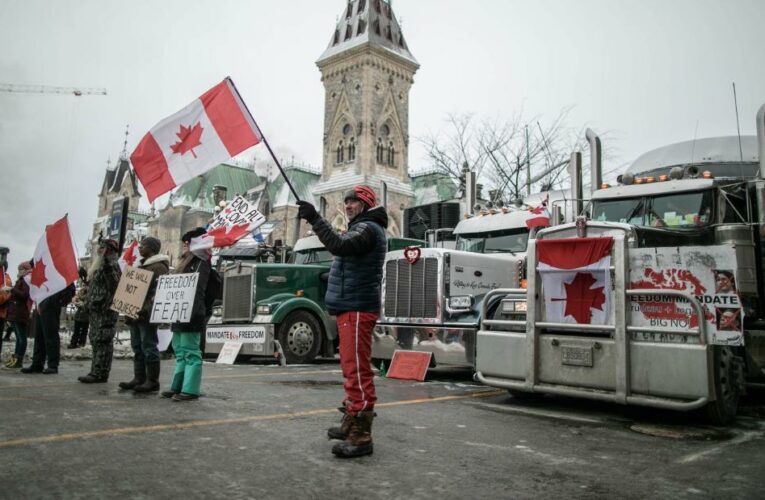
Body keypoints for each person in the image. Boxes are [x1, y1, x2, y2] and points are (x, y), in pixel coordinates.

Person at [297, 184, 387, 459]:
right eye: (346, 202)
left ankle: (361, 435)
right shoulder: (362, 227)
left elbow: (338, 245)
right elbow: (347, 258)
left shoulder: (368, 228)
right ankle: (351, 421)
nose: (348, 206)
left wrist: (314, 217)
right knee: (351, 368)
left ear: (366, 204)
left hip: (358, 308)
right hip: (350, 307)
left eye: (354, 202)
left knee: (357, 370)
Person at [161, 228, 210, 402]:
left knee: (191, 351)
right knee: (180, 351)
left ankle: (190, 389)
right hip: (179, 312)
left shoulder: (201, 262)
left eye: (187, 243)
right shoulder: (186, 262)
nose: (184, 246)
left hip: (192, 312)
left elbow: (198, 289)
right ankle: (177, 386)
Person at [118, 237, 169, 393]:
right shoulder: (143, 265)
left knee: (149, 346)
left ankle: (152, 381)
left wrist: (144, 310)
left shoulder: (158, 267)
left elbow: (157, 293)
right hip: (135, 313)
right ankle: (139, 378)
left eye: (143, 245)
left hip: (145, 315)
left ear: (152, 248)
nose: (140, 248)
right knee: (137, 347)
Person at [78, 239, 121, 383]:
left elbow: (115, 285)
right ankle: (95, 370)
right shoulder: (100, 266)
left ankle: (100, 372)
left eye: (103, 248)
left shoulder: (112, 265)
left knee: (103, 340)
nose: (99, 250)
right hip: (96, 308)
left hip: (105, 310)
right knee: (96, 340)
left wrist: (108, 266)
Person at [20, 281, 75, 375]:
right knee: (39, 336)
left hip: (51, 305)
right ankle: (37, 364)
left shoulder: (58, 270)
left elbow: (70, 287)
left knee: (51, 335)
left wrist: (57, 301)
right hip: (41, 303)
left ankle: (53, 365)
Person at [5, 262, 32, 368]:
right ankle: (16, 357)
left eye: (21, 269)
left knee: (21, 338)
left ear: (25, 270)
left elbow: (25, 295)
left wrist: (12, 289)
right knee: (19, 337)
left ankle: (18, 359)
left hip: (20, 312)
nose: (19, 271)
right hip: (17, 312)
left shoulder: (26, 280)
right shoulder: (22, 280)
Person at [67, 266, 90, 349]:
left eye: (86, 284)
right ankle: (73, 343)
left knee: (84, 330)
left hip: (86, 315)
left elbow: (89, 302)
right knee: (76, 330)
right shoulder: (82, 291)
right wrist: (76, 301)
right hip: (79, 314)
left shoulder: (90, 291)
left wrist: (82, 303)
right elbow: (77, 297)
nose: (84, 286)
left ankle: (81, 343)